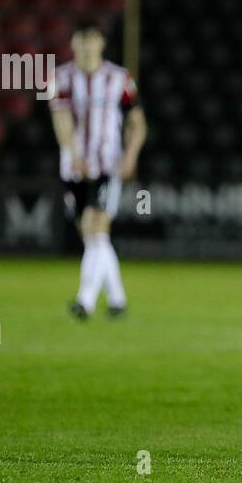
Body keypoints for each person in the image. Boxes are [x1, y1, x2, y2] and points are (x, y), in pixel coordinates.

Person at [48, 18, 147, 320]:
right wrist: (73, 154)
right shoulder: (60, 78)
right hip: (74, 167)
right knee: (92, 237)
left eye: (92, 38)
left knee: (95, 227)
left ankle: (85, 301)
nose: (87, 44)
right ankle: (117, 299)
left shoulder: (119, 78)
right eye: (81, 38)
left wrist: (130, 155)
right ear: (73, 43)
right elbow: (62, 120)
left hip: (107, 164)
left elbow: (137, 122)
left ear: (101, 43)